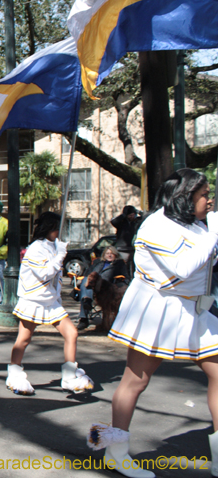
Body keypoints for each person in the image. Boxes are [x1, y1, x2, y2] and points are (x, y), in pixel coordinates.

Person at [87, 169, 218, 478]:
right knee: (136, 380)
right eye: (204, 195)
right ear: (185, 197)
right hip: (160, 311)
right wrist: (214, 233)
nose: (210, 201)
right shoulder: (156, 226)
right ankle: (115, 452)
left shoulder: (197, 225)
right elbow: (183, 268)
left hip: (195, 309)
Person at [6, 211, 94, 396]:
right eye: (57, 228)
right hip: (33, 300)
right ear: (50, 228)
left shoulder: (54, 246)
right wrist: (60, 256)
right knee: (24, 339)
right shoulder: (35, 248)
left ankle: (69, 376)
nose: (59, 232)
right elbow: (45, 274)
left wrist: (58, 298)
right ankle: (14, 373)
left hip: (51, 302)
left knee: (72, 333)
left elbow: (56, 280)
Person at [75, 245, 128, 330]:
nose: (109, 255)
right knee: (87, 279)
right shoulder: (98, 262)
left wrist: (118, 286)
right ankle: (86, 301)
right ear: (104, 255)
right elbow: (87, 272)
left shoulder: (119, 264)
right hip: (91, 286)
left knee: (88, 285)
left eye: (112, 253)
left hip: (106, 289)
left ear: (116, 255)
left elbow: (126, 277)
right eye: (107, 253)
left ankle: (84, 314)